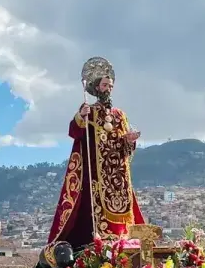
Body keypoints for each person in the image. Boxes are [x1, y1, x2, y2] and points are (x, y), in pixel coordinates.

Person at [48, 57, 145, 249]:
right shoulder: (89, 111)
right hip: (97, 173)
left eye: (110, 85)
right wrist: (80, 117)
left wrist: (129, 141)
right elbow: (74, 132)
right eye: (104, 84)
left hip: (118, 174)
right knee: (95, 207)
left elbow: (126, 147)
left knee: (123, 208)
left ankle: (122, 241)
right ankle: (101, 242)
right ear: (96, 87)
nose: (108, 88)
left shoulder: (120, 115)